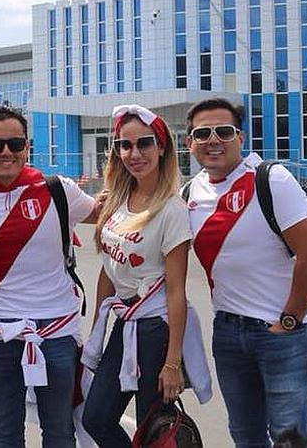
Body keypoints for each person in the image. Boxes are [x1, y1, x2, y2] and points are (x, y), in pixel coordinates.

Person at [0, 106, 98, 448]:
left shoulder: (57, 190)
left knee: (60, 432)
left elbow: (114, 217)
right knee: (4, 436)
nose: (6, 152)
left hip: (56, 335)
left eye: (15, 143)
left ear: (27, 146)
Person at [184, 98, 307, 446]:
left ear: (240, 138)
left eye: (224, 131)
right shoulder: (189, 192)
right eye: (202, 133)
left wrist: (289, 320)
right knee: (245, 434)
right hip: (229, 332)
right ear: (190, 142)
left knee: (288, 435)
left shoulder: (271, 179)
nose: (213, 139)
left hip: (286, 333)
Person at [81, 105, 211, 447]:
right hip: (125, 325)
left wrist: (172, 363)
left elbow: (176, 292)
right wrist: (98, 327)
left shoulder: (172, 210)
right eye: (125, 145)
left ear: (162, 147)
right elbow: (108, 272)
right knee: (96, 417)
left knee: (153, 428)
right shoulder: (117, 201)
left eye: (144, 144)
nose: (134, 153)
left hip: (156, 329)